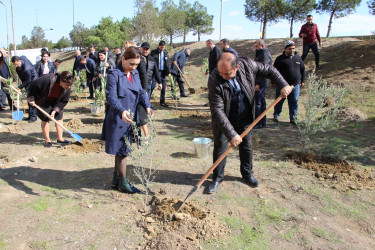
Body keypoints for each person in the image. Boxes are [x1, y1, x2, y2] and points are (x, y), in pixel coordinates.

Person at [207, 52, 292, 193]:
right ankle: (217, 177)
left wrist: (283, 84)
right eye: (221, 72)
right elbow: (217, 111)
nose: (223, 76)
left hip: (245, 116)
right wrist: (232, 134)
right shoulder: (214, 78)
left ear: (237, 67)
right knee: (220, 147)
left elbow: (270, 70)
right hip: (224, 119)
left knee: (246, 146)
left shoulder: (248, 65)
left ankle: (247, 174)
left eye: (227, 73)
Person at [101, 46, 153, 194]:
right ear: (123, 59)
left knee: (122, 149)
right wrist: (121, 110)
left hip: (130, 117)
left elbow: (141, 92)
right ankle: (123, 183)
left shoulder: (134, 73)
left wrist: (147, 106)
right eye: (131, 63)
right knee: (122, 150)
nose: (134, 67)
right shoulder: (114, 74)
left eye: (136, 64)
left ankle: (116, 180)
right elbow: (111, 96)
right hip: (118, 117)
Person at [27, 71, 74, 148]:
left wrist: (55, 110)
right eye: (66, 85)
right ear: (61, 80)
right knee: (45, 119)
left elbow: (64, 101)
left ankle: (60, 139)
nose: (68, 87)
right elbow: (33, 86)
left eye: (69, 86)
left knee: (59, 117)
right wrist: (31, 98)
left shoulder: (67, 88)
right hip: (42, 100)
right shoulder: (46, 79)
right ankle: (47, 140)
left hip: (56, 101)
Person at [273, 40, 305, 125]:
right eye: (290, 49)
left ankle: (293, 118)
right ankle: (276, 115)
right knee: (279, 101)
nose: (292, 50)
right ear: (285, 49)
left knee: (294, 101)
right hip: (282, 85)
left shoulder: (298, 58)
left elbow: (302, 70)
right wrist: (273, 82)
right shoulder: (280, 59)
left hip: (295, 85)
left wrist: (303, 80)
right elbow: (274, 71)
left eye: (293, 48)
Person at [11, 55, 38, 123]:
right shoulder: (21, 59)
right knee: (29, 99)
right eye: (14, 64)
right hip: (27, 81)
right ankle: (30, 115)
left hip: (33, 82)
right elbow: (23, 56)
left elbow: (28, 80)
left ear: (19, 61)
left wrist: (20, 87)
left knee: (32, 99)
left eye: (16, 64)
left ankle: (34, 117)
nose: (15, 66)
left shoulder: (27, 68)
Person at [254, 39, 272, 129]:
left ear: (262, 46)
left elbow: (263, 70)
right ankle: (262, 122)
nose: (255, 48)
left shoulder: (264, 54)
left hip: (261, 82)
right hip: (261, 82)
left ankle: (258, 123)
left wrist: (258, 83)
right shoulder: (260, 53)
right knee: (261, 102)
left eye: (257, 46)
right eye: (255, 46)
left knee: (258, 103)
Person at [151, 40, 170, 107]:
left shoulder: (166, 53)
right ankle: (147, 101)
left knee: (163, 87)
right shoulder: (153, 52)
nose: (162, 48)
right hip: (154, 72)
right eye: (161, 47)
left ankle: (162, 102)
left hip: (162, 72)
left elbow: (167, 63)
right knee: (152, 86)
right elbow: (151, 62)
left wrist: (168, 72)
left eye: (163, 47)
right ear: (159, 46)